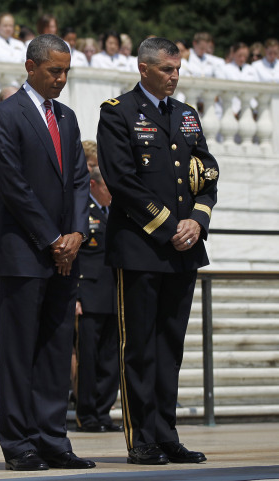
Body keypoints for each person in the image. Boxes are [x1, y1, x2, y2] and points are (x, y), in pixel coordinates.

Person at [97, 36, 218, 465]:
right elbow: (122, 181)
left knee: (171, 346)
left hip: (184, 249)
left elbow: (208, 171)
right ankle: (142, 438)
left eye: (178, 69)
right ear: (144, 69)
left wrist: (197, 221)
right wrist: (169, 226)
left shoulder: (186, 115)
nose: (175, 77)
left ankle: (167, 433)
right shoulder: (118, 113)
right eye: (167, 70)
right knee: (141, 348)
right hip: (141, 247)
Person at [0, 34, 93, 471]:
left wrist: (76, 235)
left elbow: (81, 181)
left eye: (66, 71)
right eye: (54, 71)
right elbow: (14, 186)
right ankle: (19, 443)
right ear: (30, 67)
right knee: (19, 352)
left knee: (54, 349)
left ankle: (52, 437)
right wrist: (53, 240)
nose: (61, 80)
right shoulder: (5, 115)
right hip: (25, 252)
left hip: (66, 252)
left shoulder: (66, 117)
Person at [74, 164, 121, 434]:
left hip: (113, 295)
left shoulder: (114, 212)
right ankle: (87, 415)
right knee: (88, 359)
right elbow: (77, 255)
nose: (111, 193)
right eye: (107, 187)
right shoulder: (83, 210)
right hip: (89, 295)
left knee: (110, 360)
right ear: (93, 185)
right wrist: (76, 296)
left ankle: (104, 412)